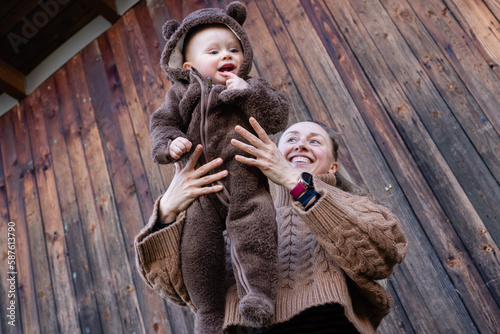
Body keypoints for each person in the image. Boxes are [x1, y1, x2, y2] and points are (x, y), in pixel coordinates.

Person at [135, 117, 408, 334]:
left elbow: (380, 258)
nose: (301, 145)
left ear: (334, 166)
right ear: (273, 152)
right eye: (292, 139)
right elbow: (175, 287)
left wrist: (295, 182)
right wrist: (167, 209)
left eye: (315, 141)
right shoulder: (235, 210)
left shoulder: (355, 206)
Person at [148, 2, 289, 333]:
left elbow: (277, 116)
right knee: (197, 249)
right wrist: (169, 145)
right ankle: (209, 310)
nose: (227, 55)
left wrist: (249, 92)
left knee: (255, 228)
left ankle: (257, 295)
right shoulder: (180, 93)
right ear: (187, 64)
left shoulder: (249, 86)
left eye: (234, 49)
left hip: (244, 181)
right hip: (201, 187)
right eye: (214, 51)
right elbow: (162, 123)